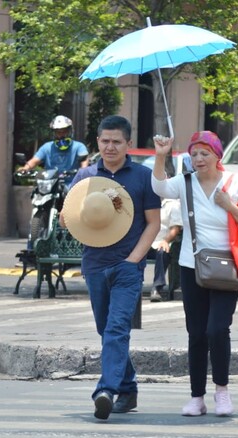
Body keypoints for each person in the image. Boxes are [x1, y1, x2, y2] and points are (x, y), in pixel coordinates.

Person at [152, 131, 238, 417]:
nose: (199, 159)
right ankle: (196, 397)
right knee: (196, 333)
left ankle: (222, 392)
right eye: (194, 154)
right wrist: (161, 156)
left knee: (217, 329)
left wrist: (229, 206)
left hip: (226, 265)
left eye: (205, 153)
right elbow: (159, 187)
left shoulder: (234, 183)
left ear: (217, 155)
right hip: (192, 264)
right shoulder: (185, 182)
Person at [60, 115, 161, 421]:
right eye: (105, 141)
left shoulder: (143, 177)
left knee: (117, 329)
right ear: (98, 142)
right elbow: (66, 219)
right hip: (94, 265)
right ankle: (128, 389)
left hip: (127, 267)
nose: (110, 147)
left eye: (117, 141)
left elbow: (153, 223)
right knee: (107, 331)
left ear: (129, 144)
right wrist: (79, 210)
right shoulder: (86, 177)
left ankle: (106, 390)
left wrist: (134, 260)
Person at [22, 115, 89, 172]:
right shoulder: (46, 147)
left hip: (72, 184)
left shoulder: (79, 147)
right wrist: (25, 168)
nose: (61, 135)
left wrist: (83, 171)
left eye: (64, 131)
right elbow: (34, 161)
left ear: (70, 132)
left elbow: (84, 164)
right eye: (58, 132)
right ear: (54, 133)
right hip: (49, 184)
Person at [147, 197, 183, 302]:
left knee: (162, 252)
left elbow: (175, 229)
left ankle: (156, 288)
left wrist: (166, 241)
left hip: (162, 242)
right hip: (145, 242)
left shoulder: (173, 205)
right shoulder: (146, 202)